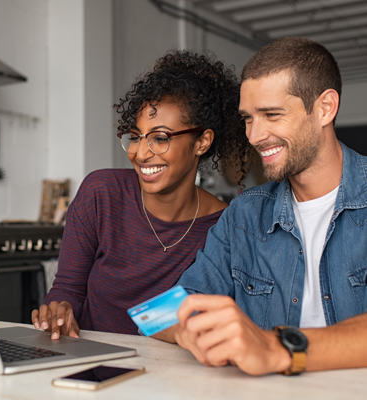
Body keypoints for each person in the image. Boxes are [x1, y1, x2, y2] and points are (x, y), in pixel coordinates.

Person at [156, 37, 367, 376]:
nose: (254, 136)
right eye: (248, 118)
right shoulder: (243, 215)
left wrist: (276, 347)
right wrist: (193, 330)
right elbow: (159, 314)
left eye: (271, 114)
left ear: (325, 108)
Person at [31, 50, 251, 338]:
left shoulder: (223, 227)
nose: (141, 153)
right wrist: (58, 313)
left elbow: (180, 316)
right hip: (85, 370)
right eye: (136, 136)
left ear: (202, 142)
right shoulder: (101, 194)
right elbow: (67, 289)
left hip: (163, 378)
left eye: (160, 138)